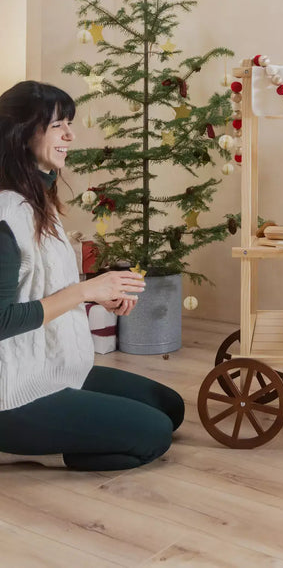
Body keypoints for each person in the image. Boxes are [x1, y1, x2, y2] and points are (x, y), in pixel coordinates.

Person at [0, 81, 184, 470]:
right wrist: (86, 289)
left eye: (69, 124)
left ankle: (73, 429)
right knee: (153, 435)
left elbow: (41, 286)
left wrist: (100, 295)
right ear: (20, 134)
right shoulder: (5, 218)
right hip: (11, 391)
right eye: (57, 126)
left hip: (55, 367)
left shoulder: (37, 201)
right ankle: (26, 444)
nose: (70, 135)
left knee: (170, 408)